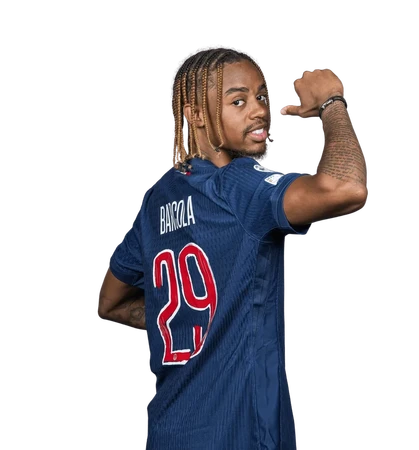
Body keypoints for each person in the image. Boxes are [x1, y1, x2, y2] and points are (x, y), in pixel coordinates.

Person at [97, 46, 368, 449]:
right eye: (238, 101)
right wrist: (332, 102)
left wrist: (202, 324)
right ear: (195, 115)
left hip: (170, 431)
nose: (259, 110)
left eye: (261, 96)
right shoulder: (238, 185)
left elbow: (110, 303)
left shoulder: (157, 200)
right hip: (236, 433)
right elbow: (346, 188)